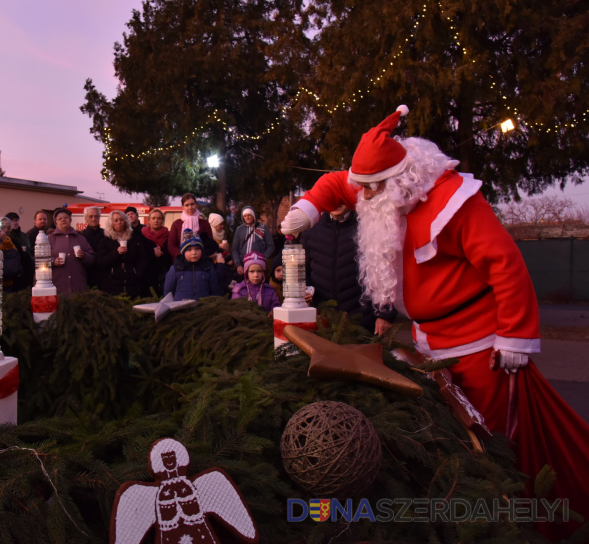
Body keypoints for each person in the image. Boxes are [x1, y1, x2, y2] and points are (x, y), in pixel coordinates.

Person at [280, 104, 589, 537]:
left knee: (491, 438)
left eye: (371, 190)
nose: (362, 198)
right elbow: (338, 183)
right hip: (427, 343)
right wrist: (310, 206)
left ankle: (507, 518)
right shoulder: (377, 189)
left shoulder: (456, 202)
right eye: (362, 189)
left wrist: (516, 337)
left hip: (480, 345)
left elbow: (506, 265)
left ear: (400, 179)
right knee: (449, 436)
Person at [298, 205, 396, 335]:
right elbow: (302, 270)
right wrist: (304, 292)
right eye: (332, 197)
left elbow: (387, 272)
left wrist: (385, 314)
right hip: (322, 319)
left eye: (340, 196)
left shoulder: (368, 225)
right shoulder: (311, 229)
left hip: (362, 321)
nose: (336, 202)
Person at [95, 209, 148, 297]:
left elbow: (143, 258)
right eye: (116, 220)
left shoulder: (134, 238)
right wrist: (116, 253)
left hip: (132, 282)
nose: (119, 222)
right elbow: (100, 262)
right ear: (111, 223)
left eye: (121, 220)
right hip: (112, 284)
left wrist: (137, 273)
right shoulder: (105, 240)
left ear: (125, 221)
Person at [48, 207, 95, 296]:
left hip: (77, 287)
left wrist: (84, 256)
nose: (63, 220)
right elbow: (39, 260)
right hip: (57, 286)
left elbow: (92, 257)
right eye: (60, 218)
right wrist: (53, 261)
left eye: (65, 217)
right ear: (56, 222)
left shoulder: (80, 238)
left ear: (70, 220)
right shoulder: (49, 239)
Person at [164, 229, 221, 301]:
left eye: (197, 249)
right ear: (183, 252)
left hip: (203, 308)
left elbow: (215, 290)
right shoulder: (176, 269)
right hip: (181, 309)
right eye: (189, 249)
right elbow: (168, 291)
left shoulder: (208, 267)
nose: (194, 252)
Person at [168, 193, 215, 260]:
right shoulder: (176, 224)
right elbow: (171, 246)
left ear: (196, 204)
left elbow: (210, 243)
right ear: (182, 206)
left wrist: (199, 256)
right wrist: (182, 256)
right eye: (187, 205)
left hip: (201, 261)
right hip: (181, 261)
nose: (190, 207)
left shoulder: (204, 224)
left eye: (192, 204)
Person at [231, 206, 275, 275]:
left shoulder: (263, 228)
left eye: (249, 215)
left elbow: (271, 246)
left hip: (258, 264)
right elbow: (235, 249)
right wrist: (238, 264)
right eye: (245, 216)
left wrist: (263, 258)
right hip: (243, 265)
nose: (247, 217)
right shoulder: (239, 229)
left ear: (253, 215)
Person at [140, 208, 172, 297]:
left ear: (162, 220)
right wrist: (152, 252)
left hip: (164, 273)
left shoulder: (168, 235)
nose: (156, 221)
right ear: (149, 220)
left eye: (159, 218)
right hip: (147, 274)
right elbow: (140, 253)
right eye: (153, 218)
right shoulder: (142, 235)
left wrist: (162, 252)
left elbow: (170, 251)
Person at [3, 211, 33, 290]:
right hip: (10, 275)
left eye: (16, 220)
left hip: (25, 271)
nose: (15, 223)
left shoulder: (24, 236)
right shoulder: (7, 239)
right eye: (12, 221)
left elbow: (29, 252)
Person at [0, 218, 23, 294]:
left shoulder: (13, 242)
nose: (6, 230)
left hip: (10, 282)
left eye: (8, 228)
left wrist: (5, 240)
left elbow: (12, 256)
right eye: (3, 227)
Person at [81, 206, 105, 288]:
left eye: (96, 216)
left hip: (104, 275)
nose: (93, 219)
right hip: (87, 275)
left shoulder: (107, 234)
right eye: (90, 216)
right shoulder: (81, 236)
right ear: (86, 218)